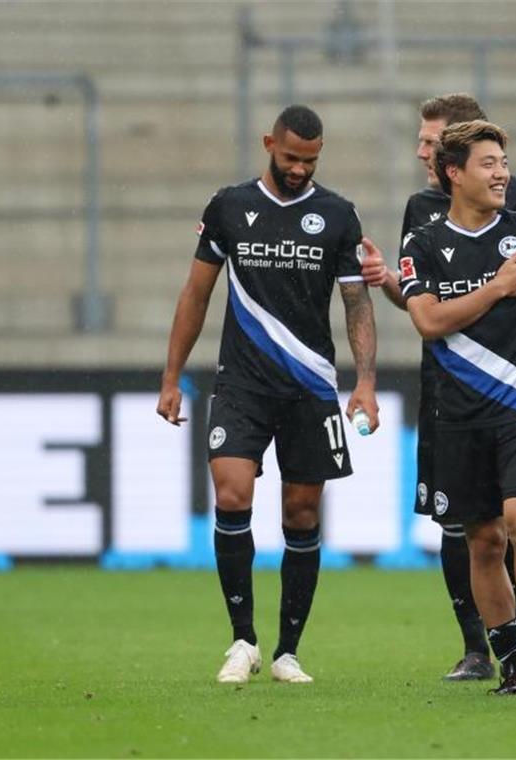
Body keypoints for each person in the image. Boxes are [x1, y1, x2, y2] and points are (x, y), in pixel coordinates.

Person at [156, 104, 381, 685]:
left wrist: (365, 381)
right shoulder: (229, 207)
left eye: (311, 160)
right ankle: (242, 640)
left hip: (309, 385)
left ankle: (287, 651)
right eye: (291, 158)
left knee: (300, 513)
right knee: (231, 495)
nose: (301, 169)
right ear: (267, 144)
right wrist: (172, 376)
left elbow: (357, 303)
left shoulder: (337, 215)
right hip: (242, 382)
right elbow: (196, 293)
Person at [360, 93, 516, 682]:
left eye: (431, 141)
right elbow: (422, 304)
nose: (421, 152)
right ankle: (481, 647)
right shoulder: (420, 213)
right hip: (450, 386)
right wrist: (388, 282)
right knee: (467, 527)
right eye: (422, 142)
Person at [400, 120, 516, 695]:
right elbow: (428, 321)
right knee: (482, 540)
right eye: (487, 163)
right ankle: (513, 659)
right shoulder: (424, 243)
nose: (501, 172)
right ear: (454, 173)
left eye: (503, 161)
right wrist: (497, 288)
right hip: (456, 413)